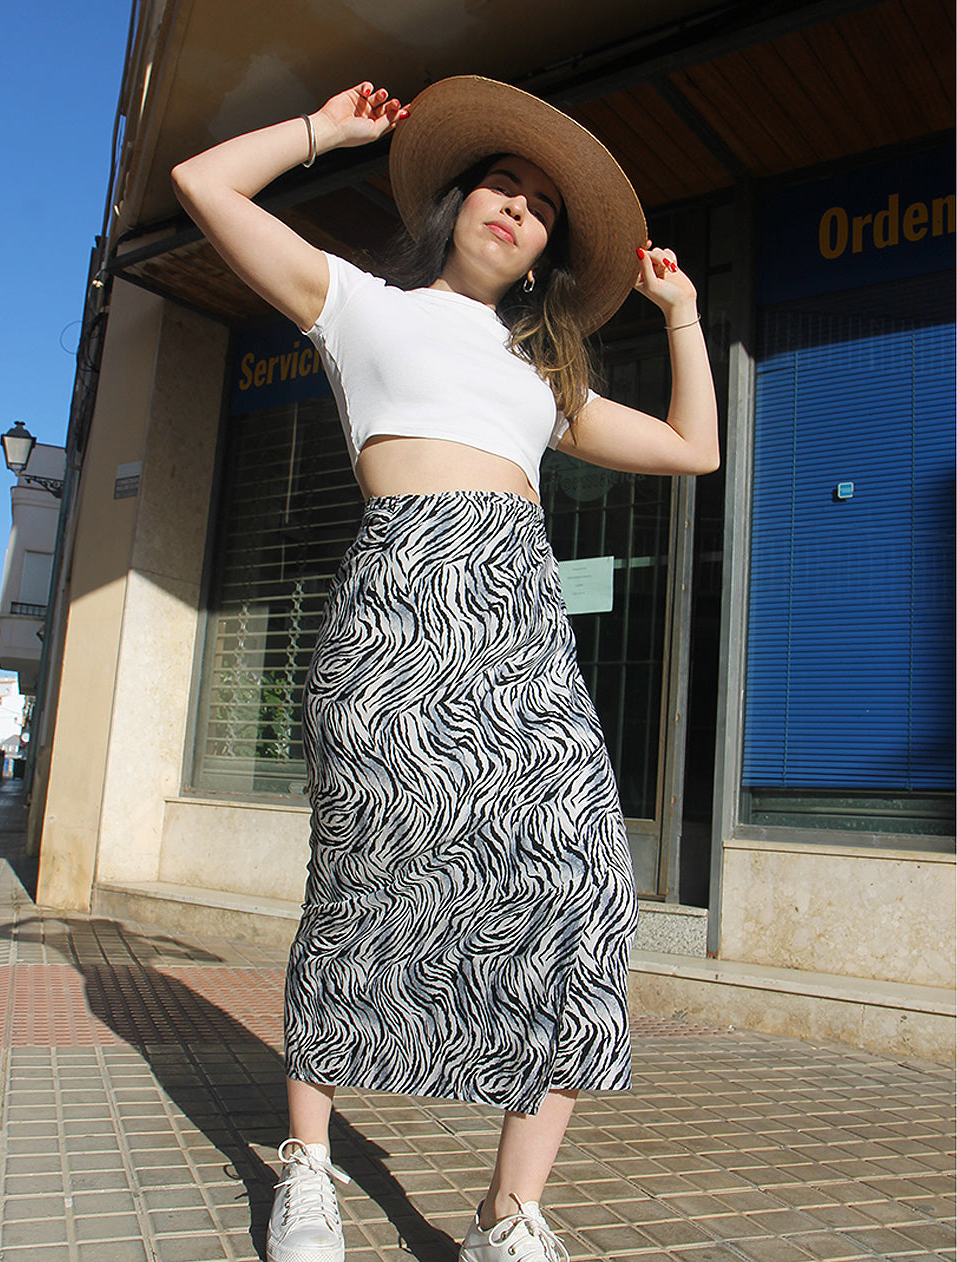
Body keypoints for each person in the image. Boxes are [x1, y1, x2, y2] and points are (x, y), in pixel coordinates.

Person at [172, 74, 718, 1262]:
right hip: (395, 615)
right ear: (456, 204)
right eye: (500, 185)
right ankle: (305, 1165)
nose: (518, 207)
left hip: (520, 628)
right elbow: (201, 184)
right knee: (357, 884)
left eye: (539, 206)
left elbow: (693, 447)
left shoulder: (542, 375)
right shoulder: (358, 305)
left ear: (541, 256)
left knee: (585, 883)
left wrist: (678, 310)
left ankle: (506, 1212)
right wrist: (323, 133)